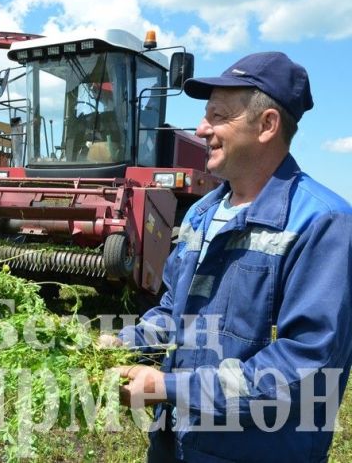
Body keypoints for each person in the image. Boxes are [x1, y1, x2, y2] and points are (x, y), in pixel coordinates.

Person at [114, 52, 352, 462]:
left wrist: (169, 388)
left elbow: (304, 369)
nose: (202, 128)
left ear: (267, 125)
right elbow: (173, 311)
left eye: (219, 116)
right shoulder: (202, 213)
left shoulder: (323, 223)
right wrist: (118, 344)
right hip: (178, 445)